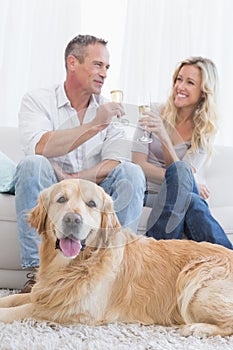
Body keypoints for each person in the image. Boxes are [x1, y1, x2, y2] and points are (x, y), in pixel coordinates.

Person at [15, 34, 146, 291]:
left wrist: (76, 179)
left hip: (93, 192)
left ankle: (114, 271)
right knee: (32, 166)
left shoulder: (110, 108)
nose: (105, 74)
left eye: (107, 67)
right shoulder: (38, 100)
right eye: (98, 65)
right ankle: (36, 273)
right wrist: (96, 124)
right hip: (54, 189)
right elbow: (41, 147)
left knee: (132, 172)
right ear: (72, 63)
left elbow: (115, 162)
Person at [132, 56, 233, 249]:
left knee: (190, 194)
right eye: (179, 79)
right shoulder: (153, 111)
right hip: (148, 192)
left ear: (204, 92)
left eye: (190, 82)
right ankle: (229, 259)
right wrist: (187, 182)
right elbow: (138, 164)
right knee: (191, 195)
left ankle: (155, 254)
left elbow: (180, 173)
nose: (180, 86)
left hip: (177, 195)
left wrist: (164, 136)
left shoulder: (205, 129)